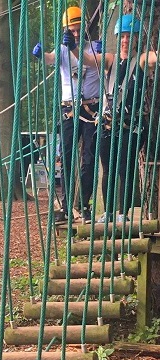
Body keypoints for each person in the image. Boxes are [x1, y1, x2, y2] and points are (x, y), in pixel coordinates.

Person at [80, 14, 158, 223]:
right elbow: (87, 60)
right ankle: (109, 211)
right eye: (122, 36)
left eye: (129, 36)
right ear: (117, 37)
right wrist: (73, 47)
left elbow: (153, 58)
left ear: (135, 38)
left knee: (125, 167)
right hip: (108, 126)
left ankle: (123, 212)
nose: (125, 40)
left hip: (130, 127)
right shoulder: (110, 60)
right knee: (108, 169)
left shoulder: (140, 59)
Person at [33, 6, 101, 223]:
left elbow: (97, 64)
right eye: (71, 30)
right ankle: (65, 206)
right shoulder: (62, 50)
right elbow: (50, 58)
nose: (75, 34)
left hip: (91, 108)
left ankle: (84, 204)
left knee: (89, 159)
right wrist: (39, 54)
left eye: (79, 29)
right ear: (66, 31)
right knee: (68, 158)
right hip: (69, 109)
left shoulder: (95, 49)